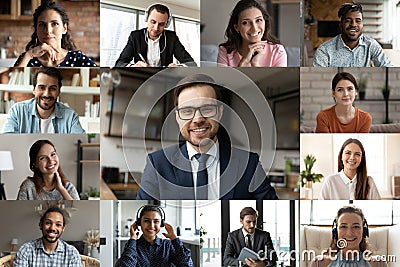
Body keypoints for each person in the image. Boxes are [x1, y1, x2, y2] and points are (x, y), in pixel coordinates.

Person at [136, 73, 277, 200]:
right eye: (187, 111)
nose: (198, 119)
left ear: (220, 112)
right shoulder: (157, 164)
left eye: (207, 109)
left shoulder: (249, 164)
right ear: (177, 117)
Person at [2, 67, 85, 133]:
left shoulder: (70, 116)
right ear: (34, 89)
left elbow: (80, 142)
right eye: (42, 88)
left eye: (52, 89)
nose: (46, 94)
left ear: (59, 91)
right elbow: (8, 143)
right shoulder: (17, 111)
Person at [14, 0, 96, 67]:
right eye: (42, 25)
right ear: (36, 29)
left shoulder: (78, 58)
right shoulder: (26, 58)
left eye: (54, 24)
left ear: (64, 28)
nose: (48, 31)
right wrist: (29, 54)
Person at [115, 3, 196, 67]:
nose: (156, 28)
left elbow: (191, 63)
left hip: (165, 79)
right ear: (147, 19)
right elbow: (120, 63)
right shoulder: (135, 36)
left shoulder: (171, 37)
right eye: (153, 22)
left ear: (166, 24)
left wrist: (180, 67)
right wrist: (133, 66)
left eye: (161, 24)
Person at [313, 2, 392, 67]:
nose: (353, 24)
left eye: (358, 21)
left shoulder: (371, 45)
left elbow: (388, 66)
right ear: (341, 24)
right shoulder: (324, 50)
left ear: (362, 24)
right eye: (348, 20)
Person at [311, 206, 388, 267]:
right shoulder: (318, 263)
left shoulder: (379, 263)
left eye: (356, 227)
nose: (349, 233)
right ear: (335, 232)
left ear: (364, 231)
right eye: (343, 227)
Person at [217, 0, 287, 67]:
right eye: (245, 22)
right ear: (236, 27)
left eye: (258, 20)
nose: (254, 29)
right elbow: (223, 79)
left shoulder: (277, 51)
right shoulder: (225, 51)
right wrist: (243, 62)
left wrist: (255, 64)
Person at [119, 204, 193, 267]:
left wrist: (174, 238)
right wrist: (132, 239)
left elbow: (187, 265)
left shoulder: (167, 245)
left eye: (156, 221)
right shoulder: (133, 246)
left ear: (161, 224)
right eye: (146, 221)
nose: (151, 226)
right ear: (139, 223)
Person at [14, 206, 82, 267]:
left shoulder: (72, 253)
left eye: (58, 225)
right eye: (48, 223)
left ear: (63, 228)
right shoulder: (26, 250)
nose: (52, 228)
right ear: (41, 225)